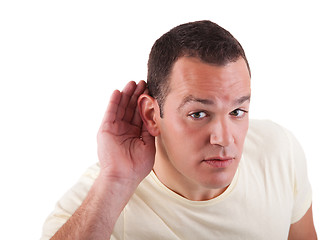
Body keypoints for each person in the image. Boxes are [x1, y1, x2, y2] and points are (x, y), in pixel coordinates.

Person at [41, 20, 317, 239]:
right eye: (198, 114)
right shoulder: (101, 200)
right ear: (151, 114)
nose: (223, 139)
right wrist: (116, 181)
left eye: (237, 112)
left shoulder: (280, 151)